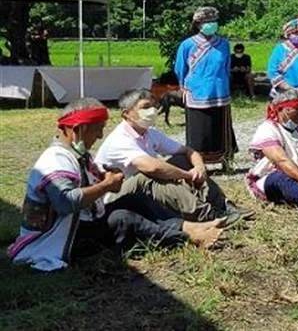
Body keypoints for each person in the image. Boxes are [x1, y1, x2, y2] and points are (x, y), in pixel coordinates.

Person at [8, 99, 224, 272]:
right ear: (79, 129)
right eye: (97, 130)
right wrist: (106, 185)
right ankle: (188, 236)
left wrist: (105, 180)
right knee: (123, 218)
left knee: (134, 199)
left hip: (78, 223)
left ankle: (189, 226)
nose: (101, 135)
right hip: (57, 239)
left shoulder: (75, 155)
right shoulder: (55, 160)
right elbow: (65, 202)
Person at [95, 89, 251, 224]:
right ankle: (207, 215)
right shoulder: (120, 139)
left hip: (137, 193)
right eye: (145, 107)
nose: (152, 111)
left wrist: (199, 167)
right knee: (148, 176)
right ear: (126, 114)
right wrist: (186, 175)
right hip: (112, 199)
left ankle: (223, 206)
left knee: (181, 160)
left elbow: (188, 151)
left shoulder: (150, 133)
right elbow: (152, 167)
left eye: (153, 106)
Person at [174, 6, 235, 164]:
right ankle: (197, 162)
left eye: (213, 21)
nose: (211, 24)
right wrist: (183, 85)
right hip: (197, 92)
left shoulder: (223, 44)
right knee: (199, 130)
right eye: (207, 22)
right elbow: (180, 68)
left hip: (220, 91)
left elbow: (226, 67)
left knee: (220, 127)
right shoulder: (187, 45)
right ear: (199, 24)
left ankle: (224, 159)